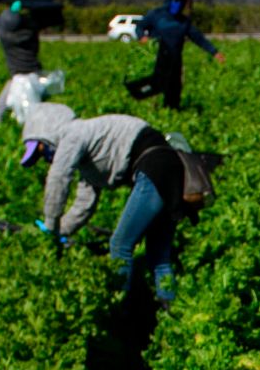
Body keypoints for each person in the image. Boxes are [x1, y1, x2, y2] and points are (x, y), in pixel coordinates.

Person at [20, 103, 184, 299]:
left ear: (47, 135)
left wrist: (50, 224)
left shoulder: (73, 134)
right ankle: (169, 312)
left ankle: (122, 310)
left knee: (119, 245)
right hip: (168, 167)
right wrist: (59, 231)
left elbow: (58, 178)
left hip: (154, 166)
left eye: (41, 151)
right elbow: (84, 204)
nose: (46, 159)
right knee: (159, 258)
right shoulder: (86, 156)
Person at [126, 0, 222, 108]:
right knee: (154, 84)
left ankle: (171, 109)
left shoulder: (183, 21)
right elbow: (140, 27)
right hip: (158, 58)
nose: (177, 4)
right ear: (169, 0)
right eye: (175, 1)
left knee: (174, 87)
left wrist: (214, 52)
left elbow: (198, 38)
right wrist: (142, 37)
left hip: (175, 60)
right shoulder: (156, 14)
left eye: (181, 2)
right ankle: (143, 104)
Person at [0, 0, 46, 78]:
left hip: (17, 76)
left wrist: (12, 10)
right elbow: (34, 23)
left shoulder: (5, 36)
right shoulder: (30, 34)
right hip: (36, 73)